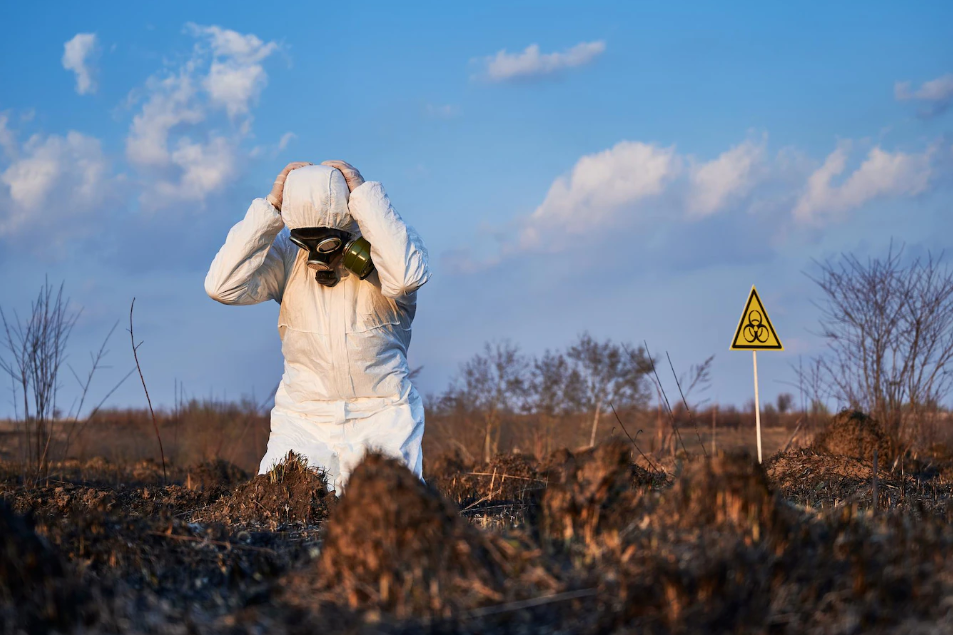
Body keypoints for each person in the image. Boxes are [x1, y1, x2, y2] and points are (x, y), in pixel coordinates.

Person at [205, 161, 430, 492]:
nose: (314, 253)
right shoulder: (288, 257)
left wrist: (365, 196)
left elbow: (408, 276)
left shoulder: (391, 252)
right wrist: (271, 209)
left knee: (387, 518)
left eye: (325, 242)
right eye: (304, 241)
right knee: (280, 507)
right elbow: (221, 286)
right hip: (303, 420)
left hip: (383, 416)